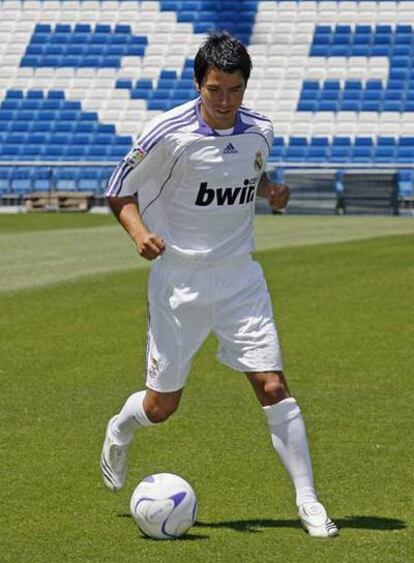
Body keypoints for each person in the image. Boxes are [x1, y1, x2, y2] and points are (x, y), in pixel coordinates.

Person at [101, 31, 338, 538]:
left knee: (273, 386)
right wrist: (139, 233)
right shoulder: (166, 133)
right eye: (215, 90)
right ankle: (120, 428)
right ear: (198, 84)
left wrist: (270, 190)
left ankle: (309, 501)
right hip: (178, 283)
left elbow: (251, 175)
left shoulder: (261, 131)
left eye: (234, 90)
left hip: (239, 280)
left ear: (246, 87)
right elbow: (118, 190)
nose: (225, 101)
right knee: (161, 407)